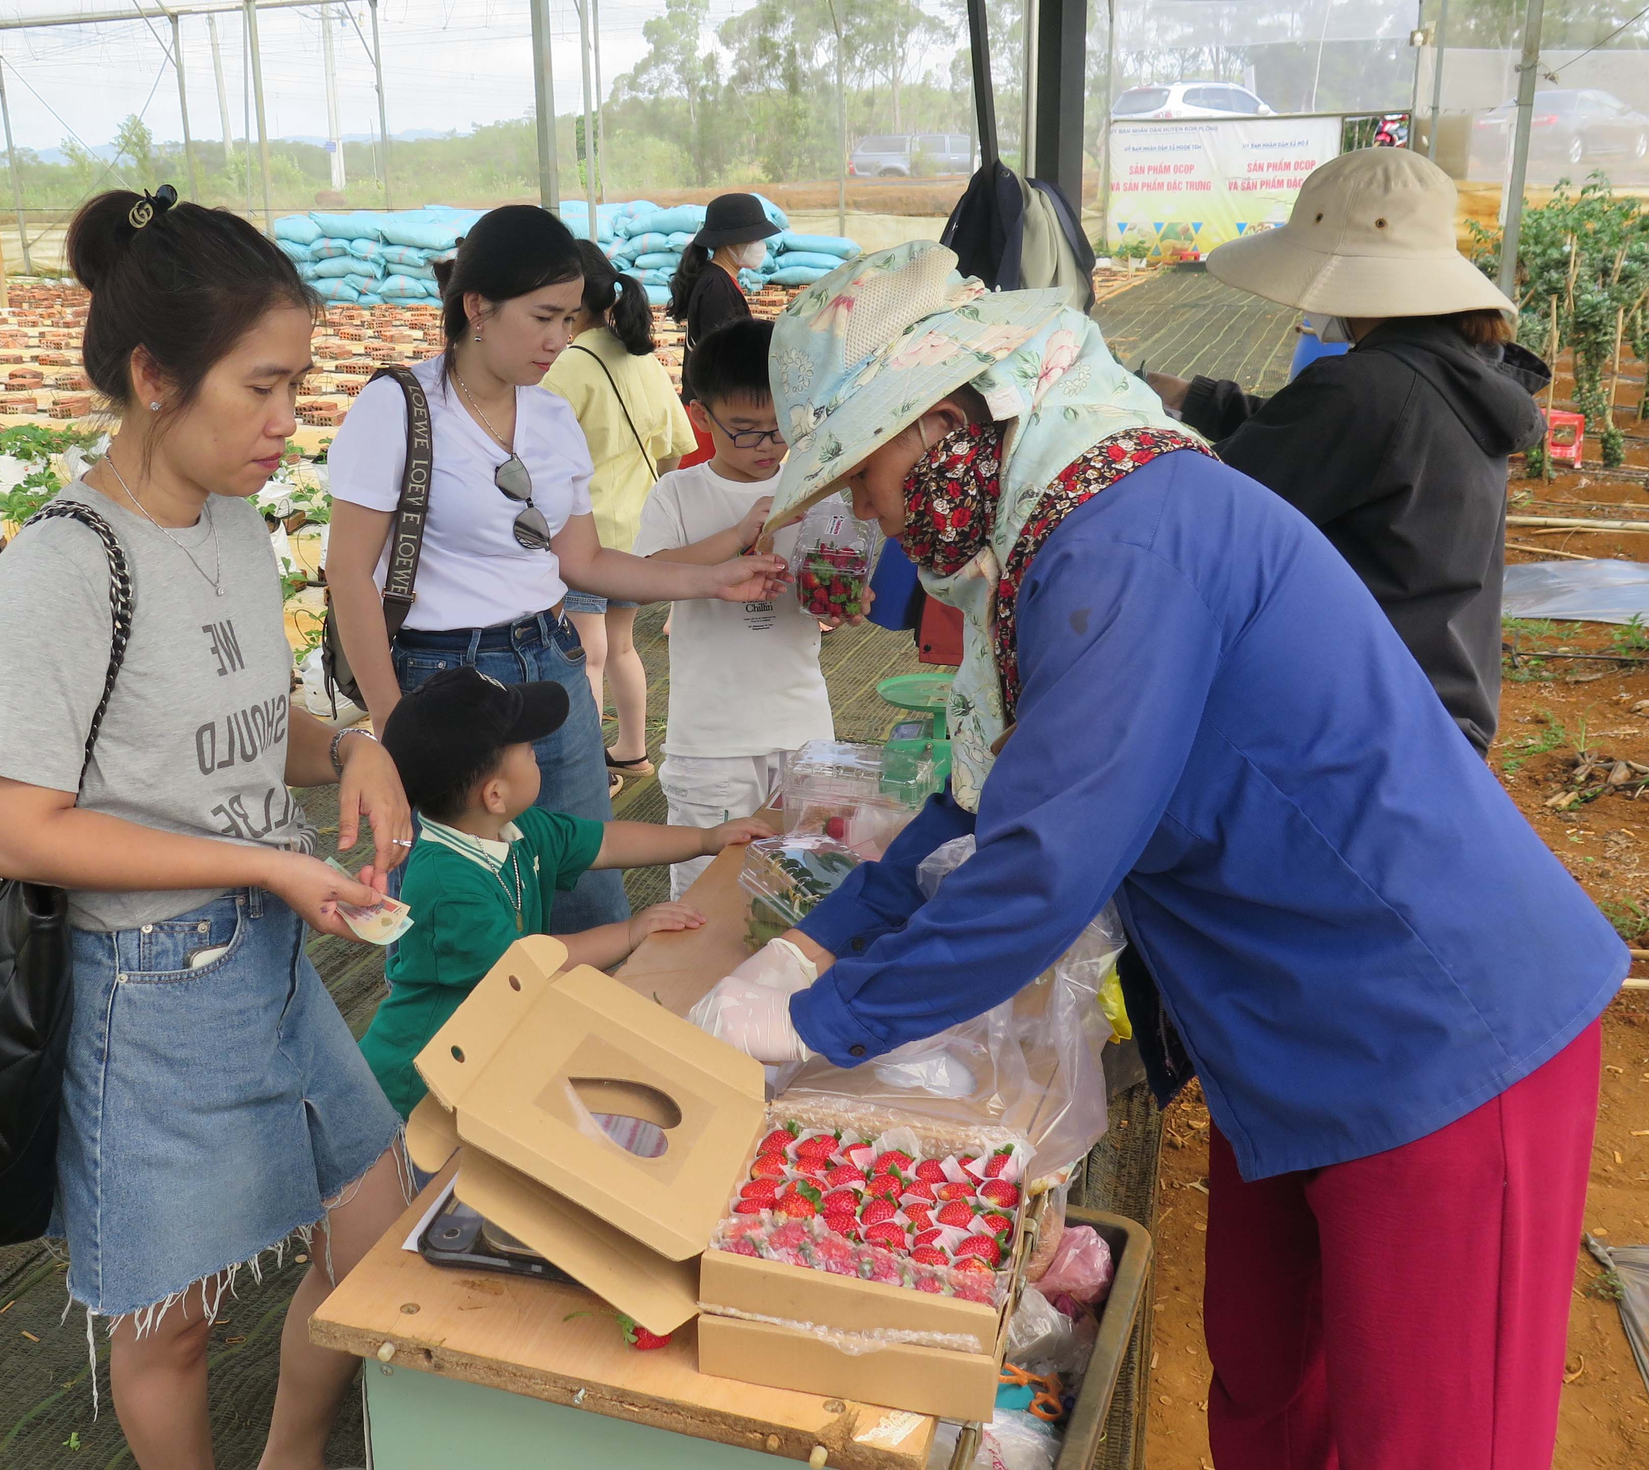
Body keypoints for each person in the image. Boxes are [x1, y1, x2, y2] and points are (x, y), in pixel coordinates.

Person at [692, 242, 1628, 1470]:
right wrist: (818, 940)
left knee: (1434, 1434)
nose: (866, 513)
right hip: (1286, 1026)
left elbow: (1042, 867)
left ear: (940, 424)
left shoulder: (1122, 538)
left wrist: (824, 1020)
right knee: (1263, 1383)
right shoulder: (1059, 536)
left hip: (1435, 1027)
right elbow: (991, 792)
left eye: (859, 473)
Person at [0, 187, 414, 1469]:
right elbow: (6, 825)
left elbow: (243, 725)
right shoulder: (63, 564)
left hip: (263, 948)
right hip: (149, 987)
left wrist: (355, 749)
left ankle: (289, 1455)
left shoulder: (230, 524)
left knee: (371, 1235)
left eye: (299, 386)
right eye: (262, 389)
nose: (287, 424)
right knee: (171, 1325)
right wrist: (264, 860)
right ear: (155, 375)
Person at [325, 205, 784, 933]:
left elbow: (586, 562)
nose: (559, 339)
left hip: (551, 664)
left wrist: (711, 577)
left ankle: (576, 1036)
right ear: (477, 306)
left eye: (570, 318)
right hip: (442, 682)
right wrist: (396, 728)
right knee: (456, 906)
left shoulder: (550, 416)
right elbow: (348, 574)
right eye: (544, 316)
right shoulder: (401, 406)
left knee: (580, 879)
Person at [1146, 148, 1549, 755]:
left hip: (1361, 728)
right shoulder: (1449, 372)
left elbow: (1211, 506)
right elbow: (1314, 438)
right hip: (1435, 707)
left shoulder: (1368, 390)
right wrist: (1190, 396)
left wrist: (1121, 445)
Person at [358, 665, 773, 1117]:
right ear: (495, 794)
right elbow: (529, 964)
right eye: (531, 751)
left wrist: (706, 839)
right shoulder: (447, 886)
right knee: (435, 1179)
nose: (539, 756)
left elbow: (607, 841)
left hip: (487, 1049)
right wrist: (630, 932)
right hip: (422, 1081)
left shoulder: (513, 828)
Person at [633, 319, 834, 898]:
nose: (768, 446)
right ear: (700, 418)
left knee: (806, 885)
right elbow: (649, 577)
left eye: (780, 429)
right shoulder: (678, 492)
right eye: (746, 431)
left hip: (802, 729)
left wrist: (847, 598)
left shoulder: (816, 488)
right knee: (708, 895)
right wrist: (739, 534)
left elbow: (832, 580)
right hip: (711, 742)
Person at [541, 241, 697, 786]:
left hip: (584, 536)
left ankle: (585, 767)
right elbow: (678, 445)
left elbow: (536, 456)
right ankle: (631, 750)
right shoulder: (642, 357)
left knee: (586, 654)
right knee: (623, 645)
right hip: (637, 531)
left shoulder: (565, 366)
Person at [667, 192, 781, 467]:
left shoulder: (718, 279)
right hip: (715, 419)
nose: (759, 246)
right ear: (730, 243)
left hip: (718, 413)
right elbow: (725, 361)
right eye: (754, 239)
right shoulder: (716, 287)